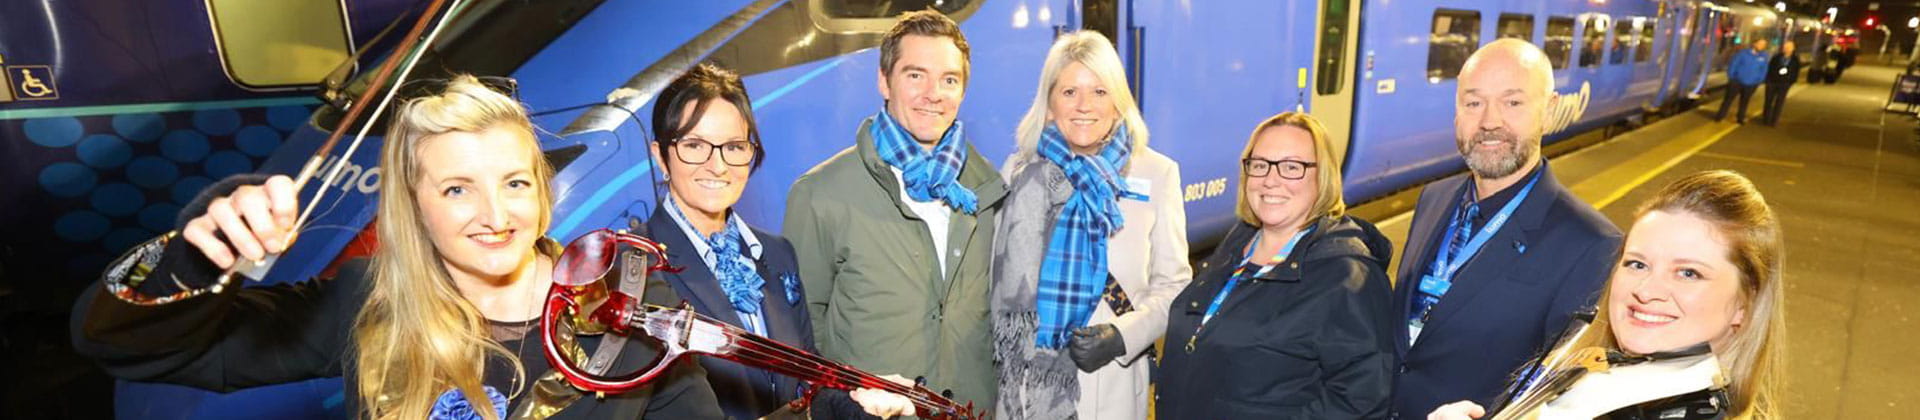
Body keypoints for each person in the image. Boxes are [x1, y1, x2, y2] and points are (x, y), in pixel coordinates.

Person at [69, 76, 725, 419]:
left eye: (516, 183)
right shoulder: (370, 301)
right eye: (458, 189)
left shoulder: (631, 305)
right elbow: (123, 345)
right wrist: (198, 255)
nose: (496, 216)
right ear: (416, 206)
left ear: (543, 194)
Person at [642, 63, 912, 419]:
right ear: (660, 155)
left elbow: (808, 385)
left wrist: (866, 404)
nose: (718, 166)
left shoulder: (776, 253)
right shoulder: (638, 266)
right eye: (694, 145)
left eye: (734, 147)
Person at [1426, 170, 1784, 419]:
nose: (1646, 291)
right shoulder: (1605, 379)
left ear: (1743, 304)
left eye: (1688, 273)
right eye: (1637, 264)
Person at [1391, 38, 1624, 419]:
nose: (1489, 121)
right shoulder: (1434, 198)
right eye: (1473, 102)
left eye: (1513, 102)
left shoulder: (1593, 244)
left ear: (1549, 111)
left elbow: (1561, 391)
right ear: (1456, 113)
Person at [783, 10, 1005, 407]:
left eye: (949, 80)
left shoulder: (988, 188)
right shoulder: (821, 194)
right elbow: (803, 331)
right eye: (915, 75)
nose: (933, 93)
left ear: (963, 92)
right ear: (884, 81)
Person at [990, 31, 1192, 420]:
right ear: (1049, 103)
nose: (1084, 106)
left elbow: (1175, 286)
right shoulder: (1019, 172)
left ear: (1118, 102)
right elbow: (992, 282)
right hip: (1026, 384)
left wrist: (1123, 337)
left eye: (1099, 92)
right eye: (1069, 92)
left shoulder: (1157, 173)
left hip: (1110, 382)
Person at [1157, 112, 1396, 419]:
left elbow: (1363, 398)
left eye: (1292, 167)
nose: (1271, 180)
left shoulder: (1347, 275)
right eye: (1260, 165)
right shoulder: (1241, 241)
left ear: (1321, 176)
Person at [1715, 39, 1769, 124]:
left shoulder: (1764, 56)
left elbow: (1764, 69)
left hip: (1751, 83)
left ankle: (1740, 118)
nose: (1761, 46)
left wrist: (1759, 80)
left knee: (1745, 102)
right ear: (1754, 43)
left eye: (1763, 45)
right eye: (1760, 44)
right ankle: (1720, 116)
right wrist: (1732, 77)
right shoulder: (1743, 53)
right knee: (1728, 100)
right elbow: (1733, 64)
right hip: (1737, 81)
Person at [1761, 41, 1799, 126]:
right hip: (1772, 82)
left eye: (1789, 47)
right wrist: (1768, 80)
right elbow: (1770, 68)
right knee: (1768, 101)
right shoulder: (1776, 57)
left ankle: (1774, 120)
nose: (1787, 49)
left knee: (1779, 102)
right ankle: (1766, 119)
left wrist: (1791, 82)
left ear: (1793, 48)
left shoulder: (1795, 60)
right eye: (1785, 47)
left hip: (1784, 84)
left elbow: (1796, 72)